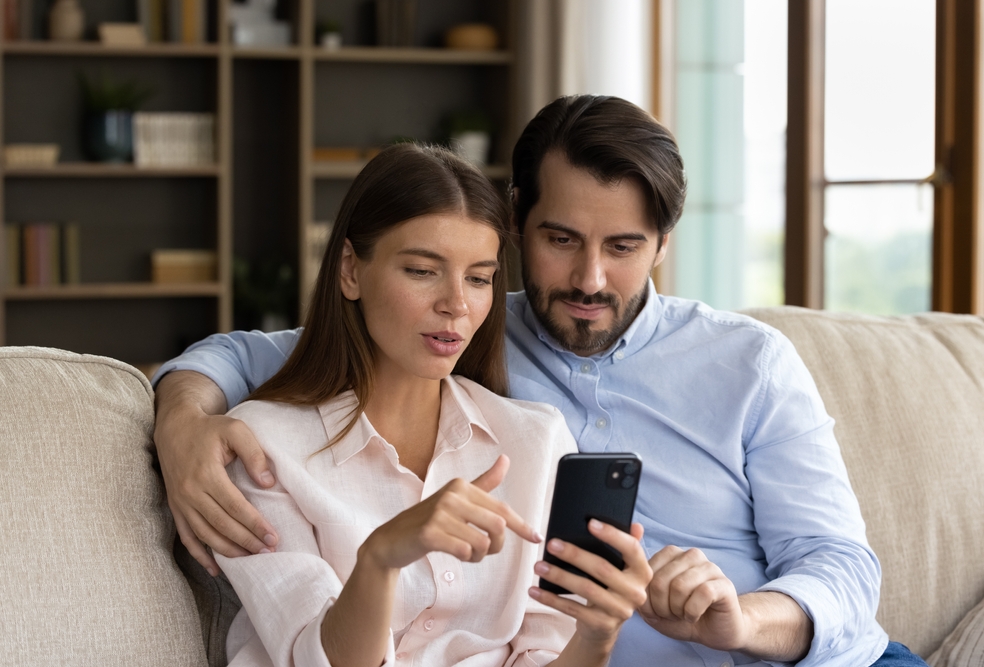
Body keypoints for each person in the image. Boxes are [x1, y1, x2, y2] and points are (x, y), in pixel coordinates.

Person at [153, 95, 924, 667]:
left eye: (624, 246)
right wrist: (183, 423)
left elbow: (843, 568)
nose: (590, 278)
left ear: (661, 243)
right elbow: (255, 357)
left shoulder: (752, 362)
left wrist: (740, 621)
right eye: (561, 240)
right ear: (518, 219)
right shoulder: (454, 334)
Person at [206, 142, 652, 667]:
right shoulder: (263, 448)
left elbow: (541, 653)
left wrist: (597, 637)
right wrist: (381, 558)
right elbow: (312, 658)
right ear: (350, 270)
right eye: (422, 270)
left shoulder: (535, 439)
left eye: (479, 278)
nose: (457, 304)